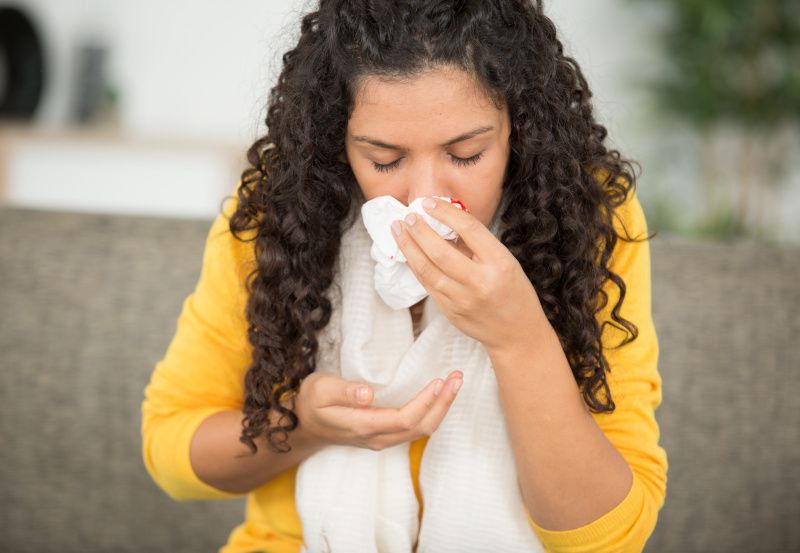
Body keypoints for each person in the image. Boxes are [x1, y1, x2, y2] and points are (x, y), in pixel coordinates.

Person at [140, 1, 668, 552]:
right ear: (336, 142)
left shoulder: (587, 215)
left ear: (520, 125)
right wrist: (301, 429)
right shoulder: (278, 215)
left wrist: (518, 336)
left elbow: (614, 537)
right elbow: (170, 451)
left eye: (467, 154)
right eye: (385, 160)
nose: (424, 198)